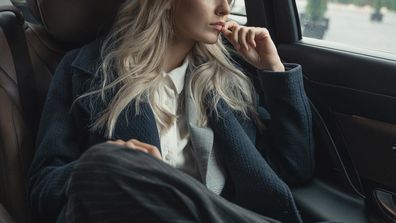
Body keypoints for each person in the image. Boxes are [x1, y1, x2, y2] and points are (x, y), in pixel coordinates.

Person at [28, 0, 314, 222]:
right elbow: (44, 188)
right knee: (105, 163)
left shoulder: (227, 80)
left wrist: (272, 70)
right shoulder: (83, 70)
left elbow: (292, 168)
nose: (225, 8)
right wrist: (122, 160)